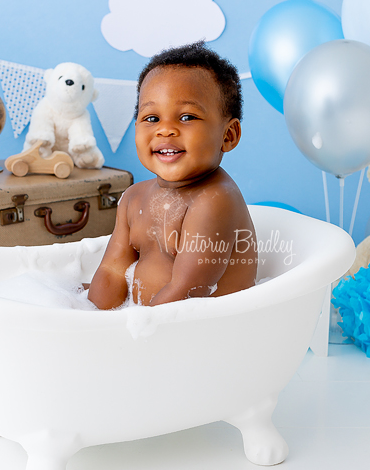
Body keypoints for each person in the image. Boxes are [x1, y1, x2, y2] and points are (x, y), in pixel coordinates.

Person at [88, 42, 257, 309]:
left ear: (228, 135)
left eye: (187, 116)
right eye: (152, 118)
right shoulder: (134, 197)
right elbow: (112, 270)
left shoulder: (215, 200)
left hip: (200, 333)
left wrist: (130, 334)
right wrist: (91, 317)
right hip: (145, 324)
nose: (165, 130)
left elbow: (188, 290)